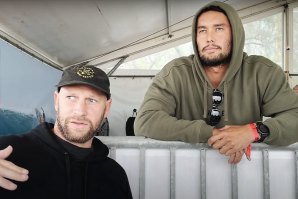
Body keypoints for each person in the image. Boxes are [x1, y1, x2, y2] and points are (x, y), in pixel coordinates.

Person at [134, 1, 298, 164]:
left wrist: (252, 131)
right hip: (185, 175)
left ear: (235, 34)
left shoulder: (262, 71)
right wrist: (213, 134)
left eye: (218, 29)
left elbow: (294, 115)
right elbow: (146, 120)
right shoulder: (175, 73)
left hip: (247, 175)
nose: (209, 38)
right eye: (202, 31)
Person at [0, 65, 133, 199]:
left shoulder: (115, 175)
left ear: (106, 108)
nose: (80, 111)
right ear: (56, 101)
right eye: (71, 97)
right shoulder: (7, 153)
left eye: (92, 100)